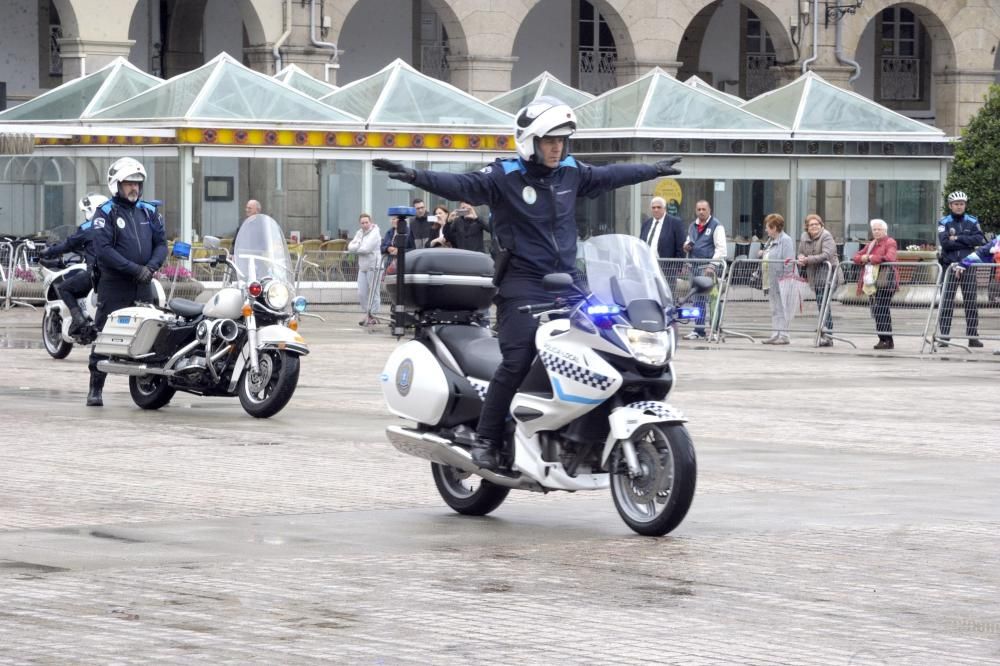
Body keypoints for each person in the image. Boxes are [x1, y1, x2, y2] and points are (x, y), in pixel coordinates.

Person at [374, 95, 682, 472]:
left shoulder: (571, 172)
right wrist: (415, 175)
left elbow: (610, 175)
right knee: (517, 359)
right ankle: (487, 438)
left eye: (562, 141)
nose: (557, 148)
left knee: (609, 344)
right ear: (530, 141)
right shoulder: (504, 176)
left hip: (568, 282)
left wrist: (652, 170)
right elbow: (462, 185)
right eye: (549, 141)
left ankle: (583, 429)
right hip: (521, 284)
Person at [87, 157, 167, 406]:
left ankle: (148, 386)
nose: (134, 188)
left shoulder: (149, 211)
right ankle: (95, 388)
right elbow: (104, 250)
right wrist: (133, 269)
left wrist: (151, 268)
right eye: (129, 183)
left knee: (152, 333)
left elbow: (162, 244)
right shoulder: (106, 213)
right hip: (115, 284)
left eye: (137, 183)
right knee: (104, 334)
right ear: (116, 185)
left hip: (144, 282)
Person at [40, 193, 108, 336]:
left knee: (64, 288)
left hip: (96, 274)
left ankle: (78, 320)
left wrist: (48, 251)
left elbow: (68, 245)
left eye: (86, 211)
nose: (85, 215)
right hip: (114, 275)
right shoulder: (113, 227)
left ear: (92, 210)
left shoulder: (88, 228)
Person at [937, 191, 985, 347]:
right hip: (949, 266)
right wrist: (967, 241)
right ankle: (944, 337)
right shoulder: (944, 222)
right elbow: (945, 243)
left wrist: (957, 238)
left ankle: (973, 336)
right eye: (956, 204)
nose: (959, 206)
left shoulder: (972, 221)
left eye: (962, 204)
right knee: (946, 302)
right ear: (950, 205)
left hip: (967, 266)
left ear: (965, 205)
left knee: (971, 301)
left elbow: (978, 239)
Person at [682, 200, 726, 340]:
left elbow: (721, 248)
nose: (701, 211)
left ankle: (714, 330)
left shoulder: (716, 226)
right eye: (699, 209)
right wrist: (686, 246)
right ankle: (698, 329)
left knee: (713, 299)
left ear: (709, 210)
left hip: (707, 268)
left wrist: (712, 265)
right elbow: (688, 240)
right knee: (697, 299)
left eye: (704, 209)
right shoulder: (692, 226)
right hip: (694, 267)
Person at [852, 219, 898, 350]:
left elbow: (890, 257)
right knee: (878, 310)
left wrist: (871, 258)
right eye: (874, 229)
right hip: (873, 281)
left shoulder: (890, 242)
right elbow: (856, 256)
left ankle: (887, 339)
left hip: (886, 281)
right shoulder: (872, 243)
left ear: (885, 230)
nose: (876, 232)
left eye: (879, 229)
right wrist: (862, 258)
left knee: (882, 309)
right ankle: (883, 339)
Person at [797, 213, 839, 347]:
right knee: (821, 305)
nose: (814, 227)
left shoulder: (826, 236)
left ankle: (828, 334)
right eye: (811, 225)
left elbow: (827, 254)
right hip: (815, 275)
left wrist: (808, 259)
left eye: (816, 224)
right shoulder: (804, 237)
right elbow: (800, 252)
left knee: (824, 304)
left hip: (828, 275)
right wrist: (801, 258)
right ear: (807, 227)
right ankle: (825, 332)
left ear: (821, 225)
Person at [757, 213, 795, 344]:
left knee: (782, 308)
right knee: (775, 308)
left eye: (768, 227)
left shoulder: (786, 240)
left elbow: (789, 261)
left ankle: (784, 335)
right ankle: (775, 333)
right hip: (771, 280)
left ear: (774, 227)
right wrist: (763, 253)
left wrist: (786, 280)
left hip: (781, 279)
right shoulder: (770, 241)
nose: (766, 230)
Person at [640, 196, 686, 291]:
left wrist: (676, 267)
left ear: (664, 208)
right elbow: (641, 243)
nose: (656, 210)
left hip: (667, 268)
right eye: (653, 207)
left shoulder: (674, 223)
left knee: (667, 296)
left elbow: (680, 246)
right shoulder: (646, 224)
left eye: (659, 207)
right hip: (648, 267)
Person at [348, 213, 382, 325]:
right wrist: (359, 245)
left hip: (374, 266)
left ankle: (373, 315)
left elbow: (366, 249)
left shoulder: (375, 232)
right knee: (361, 293)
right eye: (362, 223)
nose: (365, 225)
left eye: (366, 222)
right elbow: (350, 247)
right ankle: (367, 313)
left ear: (370, 222)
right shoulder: (359, 233)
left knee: (373, 292)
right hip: (362, 267)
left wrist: (357, 246)